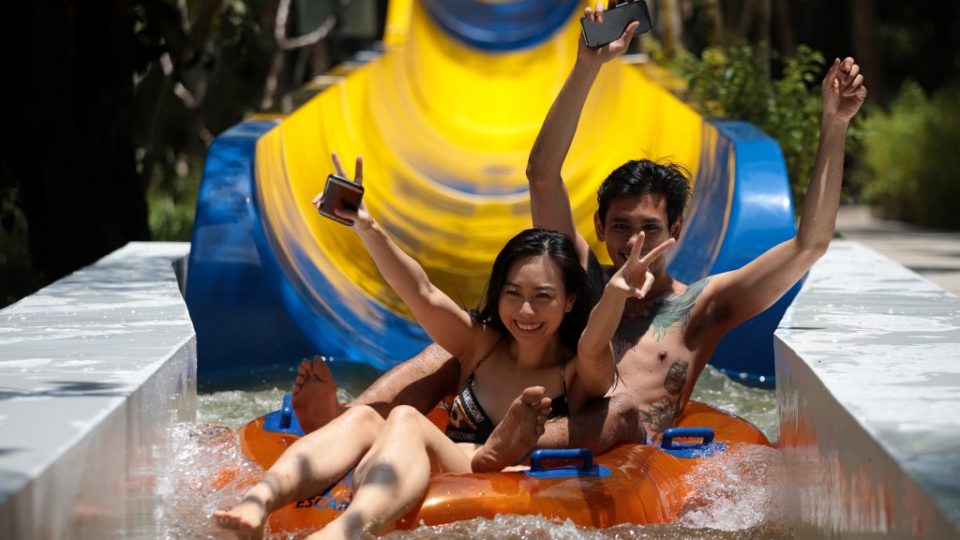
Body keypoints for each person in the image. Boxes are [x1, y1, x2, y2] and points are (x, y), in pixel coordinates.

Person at [294, 2, 867, 462]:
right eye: (620, 227)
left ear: (677, 228)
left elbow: (810, 245)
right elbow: (542, 174)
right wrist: (587, 67)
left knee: (621, 410)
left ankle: (495, 447)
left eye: (650, 228)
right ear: (598, 227)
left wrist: (834, 126)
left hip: (601, 445)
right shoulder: (577, 284)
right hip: (524, 414)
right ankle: (344, 424)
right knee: (454, 345)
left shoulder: (702, 308)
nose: (634, 242)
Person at [214, 153, 675, 539]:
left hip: (493, 476)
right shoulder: (481, 345)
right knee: (363, 418)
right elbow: (422, 293)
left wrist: (615, 293)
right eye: (513, 294)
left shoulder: (577, 371)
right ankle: (259, 502)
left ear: (569, 301)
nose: (526, 311)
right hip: (435, 462)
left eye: (543, 297)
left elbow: (595, 341)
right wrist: (367, 227)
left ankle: (343, 532)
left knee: (405, 419)